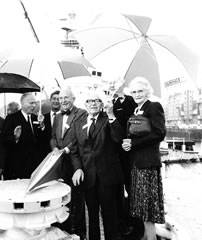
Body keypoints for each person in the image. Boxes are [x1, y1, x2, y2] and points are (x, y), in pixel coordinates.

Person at [70, 89, 124, 240]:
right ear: (85, 104)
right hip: (88, 177)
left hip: (107, 176)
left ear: (101, 104)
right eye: (89, 101)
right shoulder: (78, 123)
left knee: (110, 216)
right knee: (92, 217)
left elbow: (118, 138)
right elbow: (74, 150)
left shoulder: (108, 119)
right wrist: (78, 168)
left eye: (96, 100)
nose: (92, 103)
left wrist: (112, 115)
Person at [122, 77, 166, 240]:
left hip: (147, 164)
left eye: (140, 91)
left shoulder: (153, 106)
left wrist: (133, 143)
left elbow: (159, 133)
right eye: (133, 92)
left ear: (147, 91)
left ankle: (151, 238)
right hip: (137, 164)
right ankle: (147, 237)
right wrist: (128, 142)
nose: (137, 94)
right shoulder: (136, 109)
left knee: (147, 208)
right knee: (141, 206)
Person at [49, 87, 86, 239]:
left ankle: (79, 233)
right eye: (61, 98)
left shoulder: (81, 113)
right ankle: (63, 233)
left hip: (75, 163)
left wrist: (66, 149)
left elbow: (80, 138)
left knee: (77, 200)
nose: (63, 101)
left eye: (66, 98)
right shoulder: (57, 117)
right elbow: (52, 137)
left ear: (73, 99)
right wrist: (55, 148)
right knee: (61, 200)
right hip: (59, 165)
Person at [2, 93, 46, 179]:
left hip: (34, 166)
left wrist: (42, 126)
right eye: (31, 103)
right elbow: (3, 140)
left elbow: (42, 140)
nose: (34, 105)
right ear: (22, 103)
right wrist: (15, 137)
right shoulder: (11, 118)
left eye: (35, 103)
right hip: (17, 166)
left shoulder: (36, 118)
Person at [112, 92, 138, 236]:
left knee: (131, 189)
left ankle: (133, 224)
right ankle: (120, 223)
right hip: (112, 157)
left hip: (127, 155)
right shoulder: (105, 101)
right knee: (116, 193)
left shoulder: (130, 101)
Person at [42, 90, 60, 157]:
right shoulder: (42, 118)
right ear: (50, 100)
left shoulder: (66, 117)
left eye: (58, 99)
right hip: (46, 154)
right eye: (54, 99)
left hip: (61, 153)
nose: (56, 101)